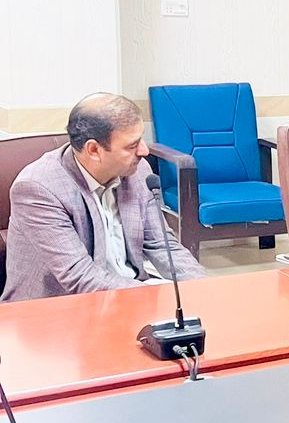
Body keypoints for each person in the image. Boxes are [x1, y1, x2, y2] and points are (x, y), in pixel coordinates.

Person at [2, 93, 204, 302]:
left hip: (127, 291)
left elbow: (163, 244)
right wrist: (155, 295)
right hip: (58, 306)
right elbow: (80, 277)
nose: (144, 151)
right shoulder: (39, 188)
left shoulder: (137, 171)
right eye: (131, 146)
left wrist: (203, 287)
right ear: (93, 150)